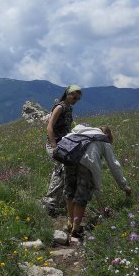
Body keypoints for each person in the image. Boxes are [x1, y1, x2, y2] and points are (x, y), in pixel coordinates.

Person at [63, 124, 132, 238]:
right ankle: (76, 227)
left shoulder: (80, 131)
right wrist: (125, 186)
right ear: (108, 136)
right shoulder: (103, 139)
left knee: (70, 190)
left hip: (68, 158)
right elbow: (114, 166)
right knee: (82, 194)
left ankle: (70, 222)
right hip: (87, 162)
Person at [43, 84, 82, 217]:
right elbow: (49, 127)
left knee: (67, 170)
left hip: (64, 144)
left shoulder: (69, 108)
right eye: (74, 97)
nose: (75, 100)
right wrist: (54, 148)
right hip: (54, 144)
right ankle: (49, 202)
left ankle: (58, 201)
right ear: (68, 94)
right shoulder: (60, 107)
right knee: (60, 170)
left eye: (78, 99)